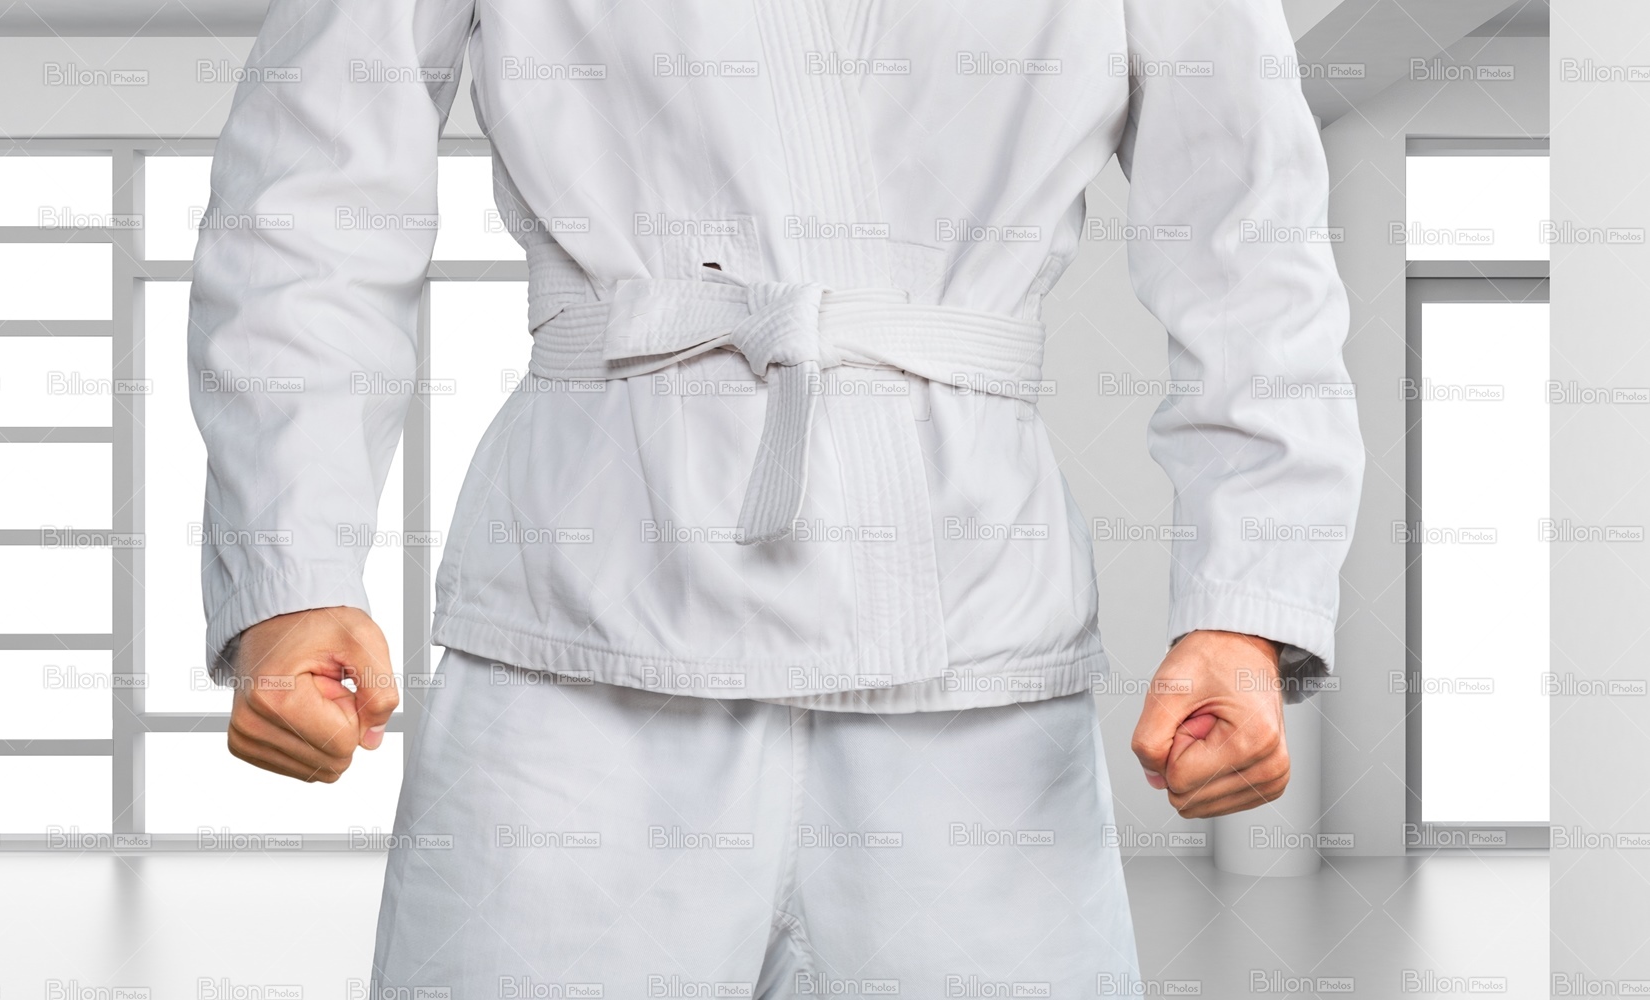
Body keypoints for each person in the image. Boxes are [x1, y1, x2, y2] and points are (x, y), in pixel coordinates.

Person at [188, 0, 1363, 995]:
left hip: (972, 679)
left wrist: (1245, 606)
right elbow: (311, 192)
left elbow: (1249, 237)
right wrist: (290, 569)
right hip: (574, 653)